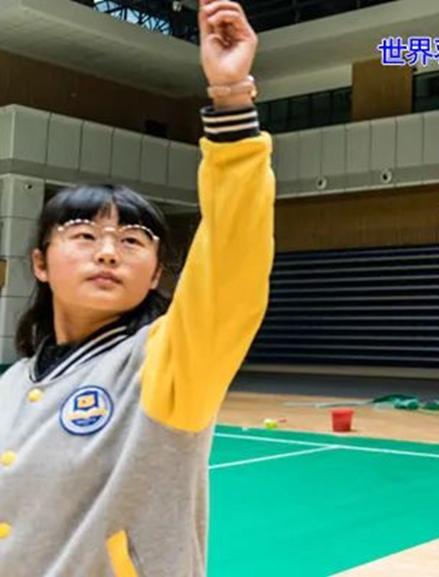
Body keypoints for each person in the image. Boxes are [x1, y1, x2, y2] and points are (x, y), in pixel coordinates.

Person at [0, 2, 274, 575]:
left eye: (132, 240)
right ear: (40, 264)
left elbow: (232, 260)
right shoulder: (11, 385)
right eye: (83, 234)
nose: (107, 251)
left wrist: (231, 101)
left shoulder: (167, 368)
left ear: (154, 275)